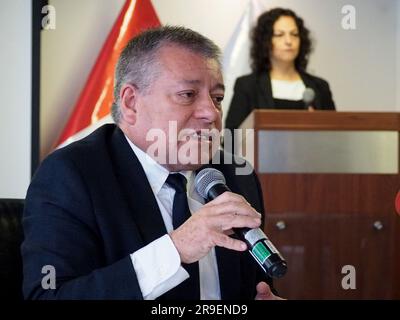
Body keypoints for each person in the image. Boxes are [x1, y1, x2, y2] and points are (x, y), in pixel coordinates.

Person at [22, 26, 282, 300]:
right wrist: (176, 249)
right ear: (132, 103)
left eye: (217, 98)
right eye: (188, 95)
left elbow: (258, 285)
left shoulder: (236, 175)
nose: (211, 113)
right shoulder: (71, 174)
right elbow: (48, 296)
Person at [225, 7, 336, 130]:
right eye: (279, 35)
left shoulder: (320, 87)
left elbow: (336, 135)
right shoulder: (248, 86)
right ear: (265, 41)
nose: (289, 41)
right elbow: (231, 139)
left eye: (294, 34)